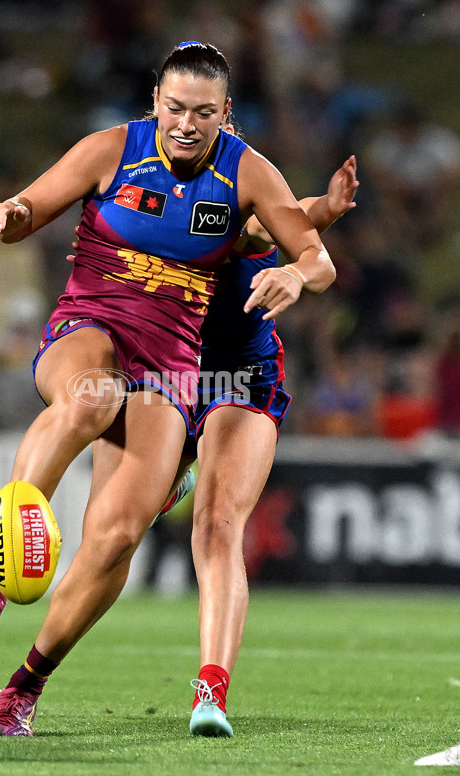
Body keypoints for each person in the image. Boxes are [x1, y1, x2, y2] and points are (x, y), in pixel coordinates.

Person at [0, 41, 336, 737]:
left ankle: (21, 693)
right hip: (89, 327)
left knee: (116, 537)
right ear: (156, 99)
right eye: (175, 107)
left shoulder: (247, 173)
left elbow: (316, 256)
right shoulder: (111, 149)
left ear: (227, 114)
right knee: (91, 397)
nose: (185, 124)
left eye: (202, 112)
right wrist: (13, 217)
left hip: (171, 368)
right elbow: (34, 205)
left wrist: (298, 273)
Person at [183, 151, 358, 737]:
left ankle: (211, 690)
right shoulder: (142, 198)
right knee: (113, 536)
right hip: (163, 375)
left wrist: (303, 258)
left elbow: (301, 240)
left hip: (240, 377)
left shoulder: (242, 200)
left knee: (215, 523)